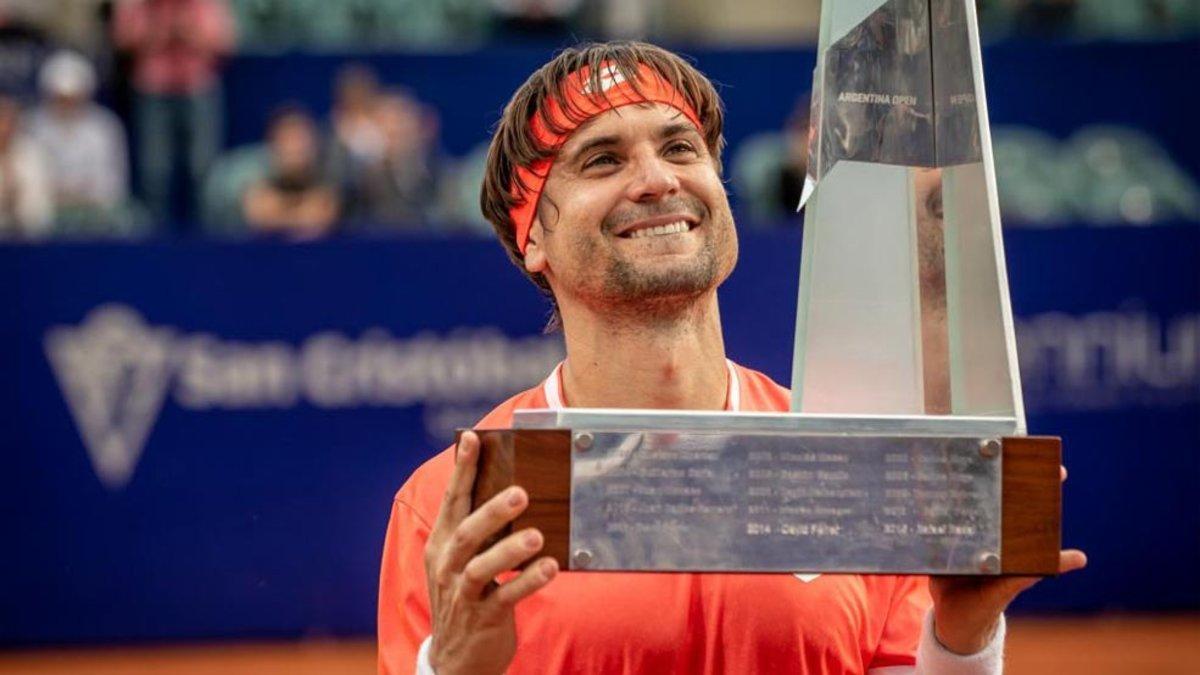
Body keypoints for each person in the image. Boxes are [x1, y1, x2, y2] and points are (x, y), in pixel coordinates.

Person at [377, 42, 1086, 675]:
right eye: (602, 159)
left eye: (681, 148)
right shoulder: (453, 507)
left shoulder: (865, 460)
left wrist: (962, 641)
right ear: (532, 236)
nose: (657, 180)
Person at [112, 0, 235, 226]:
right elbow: (123, 40)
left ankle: (207, 241)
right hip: (152, 90)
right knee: (154, 171)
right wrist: (158, 32)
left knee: (204, 168)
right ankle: (155, 245)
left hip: (199, 88)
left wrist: (187, 32)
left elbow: (224, 43)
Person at [29, 50, 130, 220]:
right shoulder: (32, 125)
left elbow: (112, 183)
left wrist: (79, 196)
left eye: (73, 97)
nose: (67, 104)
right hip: (46, 211)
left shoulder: (105, 126)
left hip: (96, 210)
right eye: (61, 98)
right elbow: (31, 180)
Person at [241, 105, 339, 239]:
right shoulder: (256, 184)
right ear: (273, 145)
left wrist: (279, 211)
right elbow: (260, 214)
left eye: (299, 139)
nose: (294, 148)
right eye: (287, 139)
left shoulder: (328, 185)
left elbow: (317, 216)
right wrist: (299, 211)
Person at [0, 95, 52, 238]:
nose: (3, 128)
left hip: (26, 237)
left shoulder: (32, 153)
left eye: (7, 121)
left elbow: (39, 204)